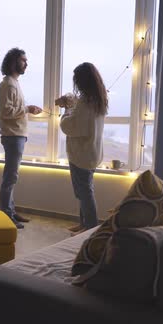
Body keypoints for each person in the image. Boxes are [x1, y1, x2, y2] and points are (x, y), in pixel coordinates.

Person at [56, 62, 107, 235]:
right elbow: (80, 116)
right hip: (90, 153)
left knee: (84, 192)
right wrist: (69, 105)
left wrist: (64, 113)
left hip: (82, 154)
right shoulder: (97, 99)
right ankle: (84, 223)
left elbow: (72, 126)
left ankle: (90, 228)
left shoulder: (86, 102)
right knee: (84, 191)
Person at [0, 48, 42, 229]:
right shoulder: (8, 84)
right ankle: (7, 215)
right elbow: (6, 112)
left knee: (12, 177)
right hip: (12, 136)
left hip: (18, 135)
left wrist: (27, 108)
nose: (26, 63)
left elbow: (14, 110)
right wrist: (27, 109)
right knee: (10, 177)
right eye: (23, 60)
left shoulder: (14, 83)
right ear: (14, 62)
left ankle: (11, 211)